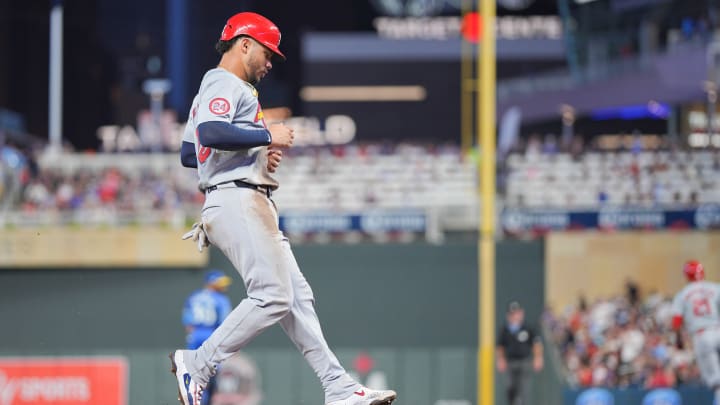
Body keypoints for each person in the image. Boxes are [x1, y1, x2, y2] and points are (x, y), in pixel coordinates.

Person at [169, 11, 397, 405]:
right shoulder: (223, 80)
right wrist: (265, 134)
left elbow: (191, 154)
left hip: (243, 193)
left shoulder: (224, 87)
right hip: (237, 198)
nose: (270, 61)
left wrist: (255, 152)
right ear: (244, 44)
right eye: (266, 51)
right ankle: (199, 362)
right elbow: (210, 133)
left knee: (296, 296)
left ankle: (339, 386)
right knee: (272, 295)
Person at [670, 260, 720, 405]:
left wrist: (679, 342)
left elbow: (677, 322)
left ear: (686, 275)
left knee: (717, 382)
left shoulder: (682, 294)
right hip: (718, 329)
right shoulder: (715, 288)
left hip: (701, 335)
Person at [182, 270, 233, 405]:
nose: (223, 286)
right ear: (212, 283)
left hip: (195, 335)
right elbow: (224, 323)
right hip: (212, 335)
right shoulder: (221, 299)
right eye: (220, 283)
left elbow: (187, 322)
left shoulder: (194, 297)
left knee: (195, 374)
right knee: (212, 375)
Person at [496, 301, 544, 405]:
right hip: (510, 362)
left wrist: (538, 358)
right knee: (510, 387)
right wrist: (500, 360)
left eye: (517, 313)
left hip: (524, 362)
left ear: (521, 313)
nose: (515, 316)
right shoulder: (504, 329)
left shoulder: (528, 328)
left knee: (524, 389)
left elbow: (536, 344)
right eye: (512, 314)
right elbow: (500, 346)